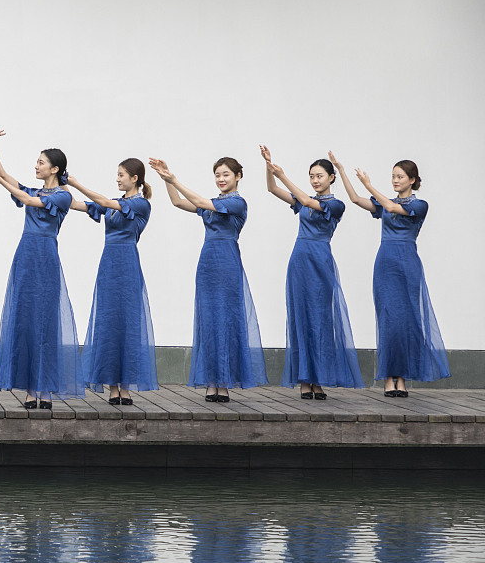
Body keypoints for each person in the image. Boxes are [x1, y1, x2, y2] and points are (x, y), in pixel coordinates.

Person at [0, 135, 83, 409]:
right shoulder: (36, 191)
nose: (36, 166)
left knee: (46, 321)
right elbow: (6, 175)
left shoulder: (62, 195)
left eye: (41, 163)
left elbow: (24, 197)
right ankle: (30, 389)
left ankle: (45, 388)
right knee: (26, 320)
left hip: (46, 257)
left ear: (55, 169)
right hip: (25, 256)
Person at [148, 156, 267, 402]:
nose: (221, 179)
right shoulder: (213, 202)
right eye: (217, 175)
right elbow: (177, 202)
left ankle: (224, 383)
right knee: (209, 322)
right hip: (207, 264)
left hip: (227, 262)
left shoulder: (237, 202)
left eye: (226, 174)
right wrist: (166, 179)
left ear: (238, 176)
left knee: (226, 321)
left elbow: (201, 202)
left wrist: (175, 179)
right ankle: (212, 382)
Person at [336, 153, 449, 396]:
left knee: (407, 321)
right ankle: (388, 377)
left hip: (407, 263)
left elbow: (391, 207)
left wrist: (369, 185)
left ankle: (403, 378)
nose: (395, 180)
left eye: (400, 177)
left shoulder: (420, 205)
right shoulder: (384, 202)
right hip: (385, 263)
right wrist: (342, 171)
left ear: (412, 180)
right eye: (393, 176)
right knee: (388, 318)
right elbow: (355, 199)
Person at [260, 146, 363, 398]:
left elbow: (307, 201)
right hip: (299, 260)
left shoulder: (336, 205)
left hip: (320, 259)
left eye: (319, 176)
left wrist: (283, 175)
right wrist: (269, 166)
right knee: (301, 317)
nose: (315, 180)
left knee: (321, 319)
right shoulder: (303, 199)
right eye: (311, 176)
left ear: (331, 178)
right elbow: (272, 189)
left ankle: (319, 379)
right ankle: (305, 380)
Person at [65, 158, 159, 404]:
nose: (117, 179)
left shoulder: (141, 204)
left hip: (127, 264)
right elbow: (74, 204)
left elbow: (105, 203)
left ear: (135, 178)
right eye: (117, 174)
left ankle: (125, 386)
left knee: (127, 323)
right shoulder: (114, 204)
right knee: (108, 323)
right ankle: (112, 386)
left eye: (121, 175)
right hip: (108, 265)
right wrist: (63, 184)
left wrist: (76, 182)